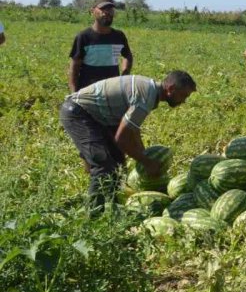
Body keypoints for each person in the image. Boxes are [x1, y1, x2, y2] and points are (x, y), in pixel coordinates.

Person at [59, 71, 197, 213]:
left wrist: (144, 155)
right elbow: (121, 139)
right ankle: (94, 216)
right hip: (78, 113)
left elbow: (132, 129)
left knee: (118, 164)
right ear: (171, 89)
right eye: (183, 95)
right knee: (103, 164)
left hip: (96, 117)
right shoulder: (146, 97)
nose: (184, 100)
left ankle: (112, 206)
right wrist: (147, 162)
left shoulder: (149, 89)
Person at [69, 0, 133, 93]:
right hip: (88, 91)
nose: (107, 12)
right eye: (103, 9)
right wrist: (74, 94)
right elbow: (74, 67)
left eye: (110, 9)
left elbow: (127, 55)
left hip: (112, 91)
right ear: (92, 11)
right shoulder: (84, 37)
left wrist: (124, 76)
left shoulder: (119, 36)